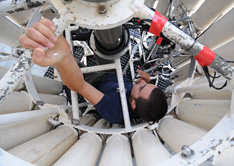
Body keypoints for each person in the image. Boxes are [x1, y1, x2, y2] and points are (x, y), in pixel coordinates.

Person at [19, 18, 168, 124]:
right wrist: (146, 82)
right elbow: (143, 93)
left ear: (133, 104)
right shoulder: (143, 103)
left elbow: (79, 85)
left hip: (96, 81)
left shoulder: (114, 111)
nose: (141, 82)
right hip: (115, 77)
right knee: (109, 47)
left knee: (72, 67)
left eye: (142, 87)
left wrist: (64, 58)